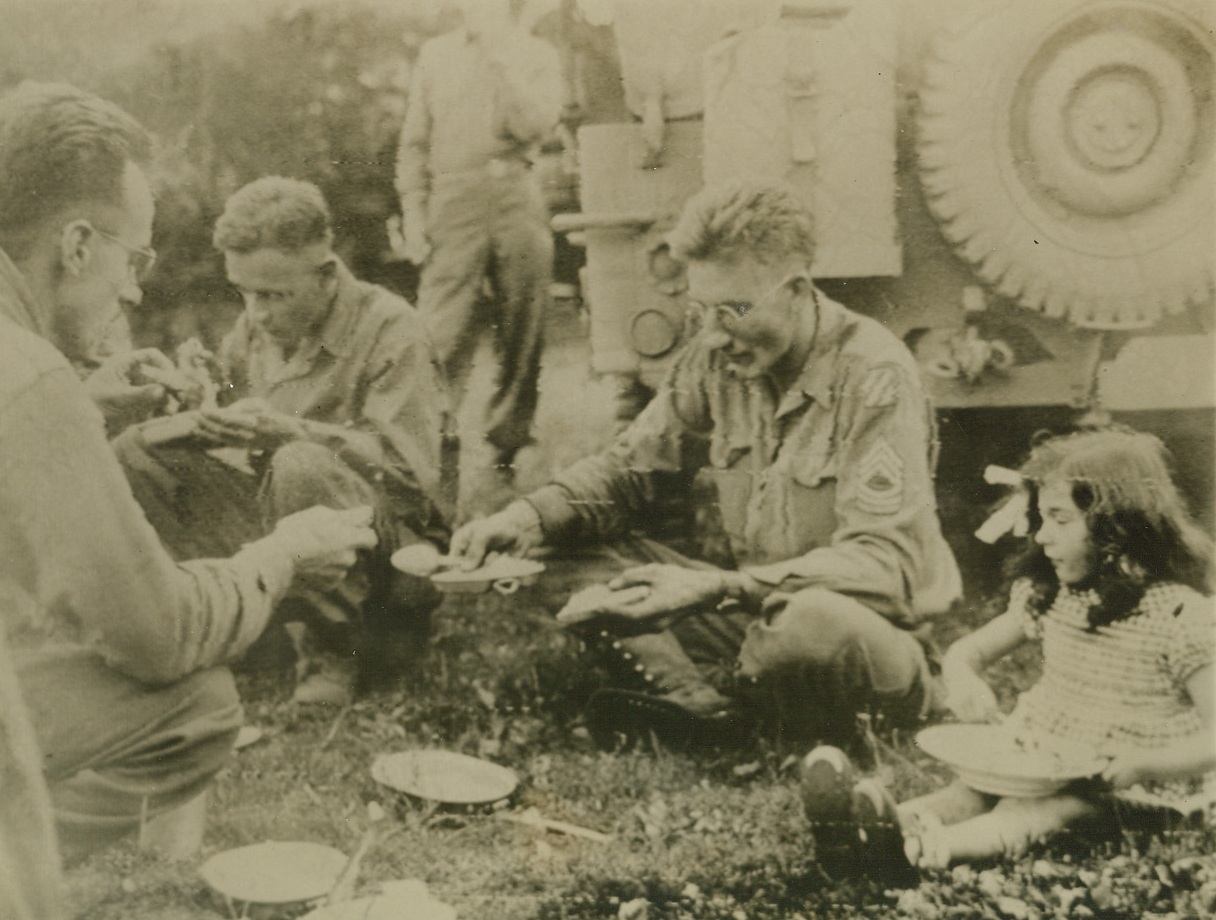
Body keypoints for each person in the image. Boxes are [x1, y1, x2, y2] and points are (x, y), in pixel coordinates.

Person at [0, 82, 375, 861]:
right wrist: (278, 559)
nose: (134, 287)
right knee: (199, 703)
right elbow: (160, 636)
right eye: (133, 258)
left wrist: (85, 406)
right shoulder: (29, 376)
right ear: (75, 246)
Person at [450, 181, 962, 752]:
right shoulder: (719, 355)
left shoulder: (875, 376)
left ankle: (739, 710)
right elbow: (629, 468)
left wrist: (717, 585)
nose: (713, 334)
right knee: (549, 543)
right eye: (700, 311)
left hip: (863, 637)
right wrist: (524, 518)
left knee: (807, 622)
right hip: (753, 616)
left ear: (795, 290)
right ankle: (707, 710)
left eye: (732, 310)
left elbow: (884, 568)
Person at [801, 427, 1215, 882]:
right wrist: (964, 676)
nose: (1042, 537)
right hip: (1055, 762)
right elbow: (968, 651)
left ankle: (926, 851)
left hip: (1144, 792)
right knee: (969, 792)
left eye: (1059, 519)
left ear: (1117, 528)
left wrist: (1143, 764)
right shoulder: (1055, 595)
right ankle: (863, 831)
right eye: (1040, 519)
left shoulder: (1178, 616)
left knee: (1033, 809)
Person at [114, 176, 452, 704]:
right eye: (244, 293)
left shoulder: (392, 329)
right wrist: (195, 394)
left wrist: (294, 432)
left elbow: (411, 476)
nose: (256, 313)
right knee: (140, 450)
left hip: (390, 559)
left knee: (300, 462)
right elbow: (231, 403)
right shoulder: (257, 327)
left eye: (273, 295)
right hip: (296, 530)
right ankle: (235, 628)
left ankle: (336, 653)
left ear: (325, 274)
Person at [395, 0, 563, 479]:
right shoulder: (435, 54)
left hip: (516, 192)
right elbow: (413, 144)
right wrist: (412, 213)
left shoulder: (537, 53)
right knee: (439, 333)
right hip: (452, 199)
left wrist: (501, 61)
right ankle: (423, 447)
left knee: (522, 326)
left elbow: (535, 126)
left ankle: (506, 450)